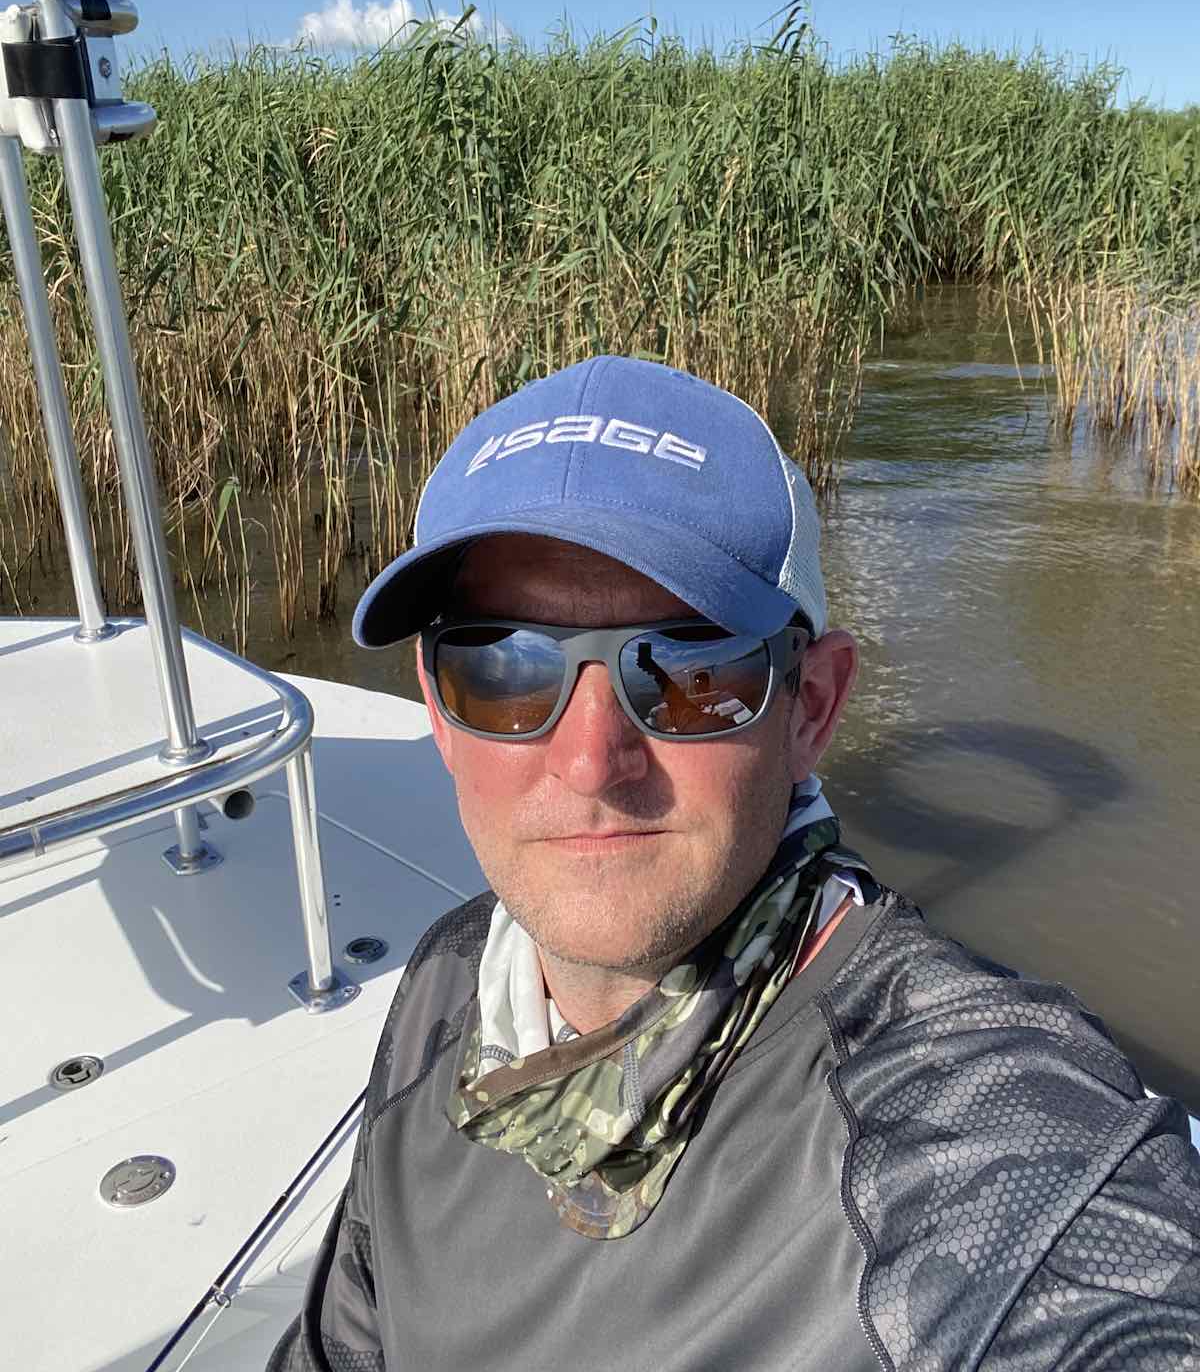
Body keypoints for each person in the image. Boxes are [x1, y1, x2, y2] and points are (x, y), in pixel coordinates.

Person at [269, 355, 1200, 1372]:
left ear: (811, 707)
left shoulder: (957, 1133)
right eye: (502, 667)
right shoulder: (447, 981)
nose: (591, 761)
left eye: (687, 668)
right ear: (439, 710)